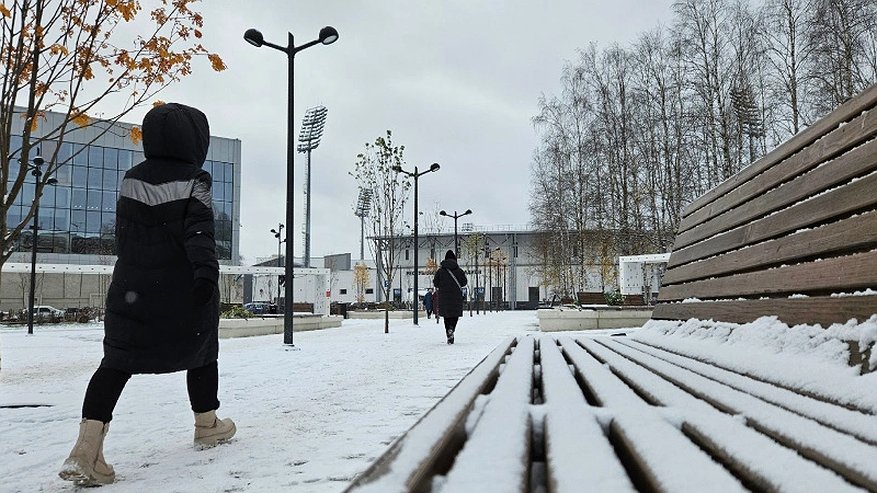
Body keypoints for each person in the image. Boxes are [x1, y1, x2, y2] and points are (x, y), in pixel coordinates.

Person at [59, 103, 235, 487]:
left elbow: (127, 236)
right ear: (195, 140)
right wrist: (205, 275)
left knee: (116, 363)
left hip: (131, 288)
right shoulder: (196, 179)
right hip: (181, 286)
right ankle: (207, 423)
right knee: (203, 352)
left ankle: (86, 449)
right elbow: (200, 232)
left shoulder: (131, 179)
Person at [433, 250, 468, 344]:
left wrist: (443, 285)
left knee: (446, 317)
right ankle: (452, 328)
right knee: (454, 316)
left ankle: (449, 333)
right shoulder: (459, 270)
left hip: (444, 297)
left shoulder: (440, 271)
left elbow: (435, 283)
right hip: (456, 297)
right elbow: (464, 282)